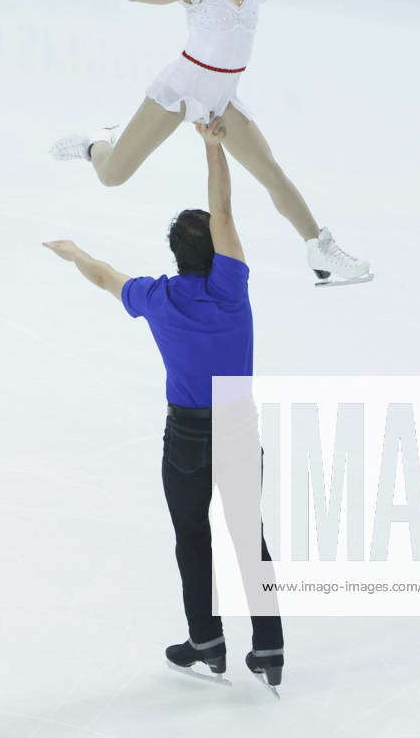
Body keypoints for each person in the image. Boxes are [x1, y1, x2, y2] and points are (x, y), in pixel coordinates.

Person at [43, 116, 284, 689]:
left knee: (192, 534)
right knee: (247, 536)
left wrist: (74, 252)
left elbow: (104, 276)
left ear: (176, 254)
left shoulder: (157, 297)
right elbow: (224, 213)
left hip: (187, 437)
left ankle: (206, 640)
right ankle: (269, 648)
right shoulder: (231, 287)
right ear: (218, 250)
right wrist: (213, 149)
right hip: (238, 426)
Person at [50, 0, 372, 284]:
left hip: (222, 96)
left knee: (270, 171)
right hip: (181, 89)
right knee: (113, 176)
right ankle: (95, 144)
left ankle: (318, 246)